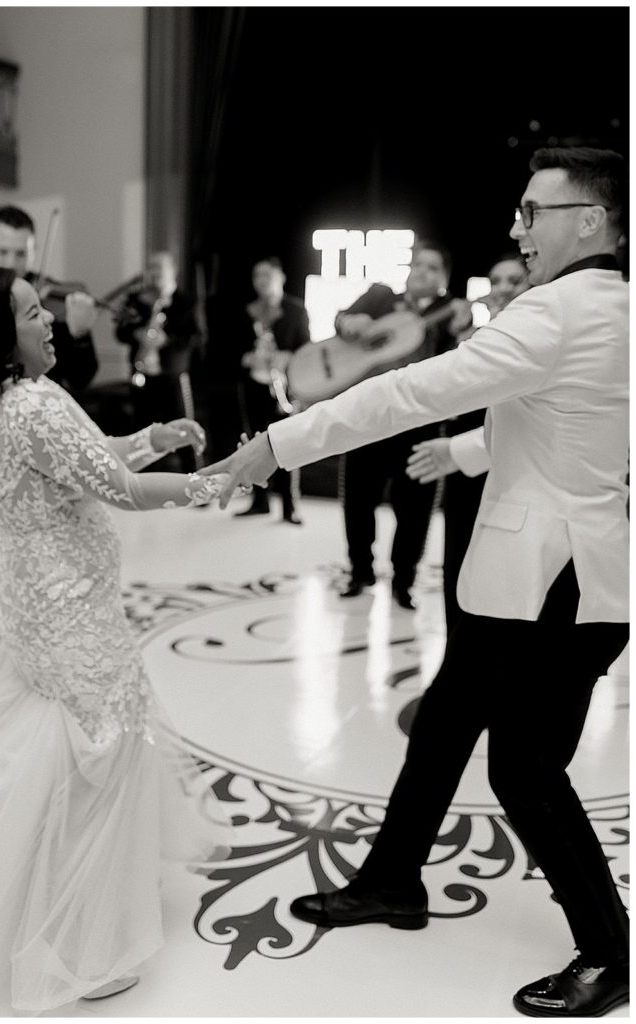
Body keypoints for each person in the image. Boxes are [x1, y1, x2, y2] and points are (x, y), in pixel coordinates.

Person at [200, 147, 629, 1017]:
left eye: (530, 212)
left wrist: (273, 447)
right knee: (440, 728)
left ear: (588, 221)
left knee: (524, 769)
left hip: (555, 588)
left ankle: (610, 949)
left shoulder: (562, 310)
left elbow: (410, 388)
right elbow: (570, 423)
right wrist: (467, 451)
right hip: (526, 577)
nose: (515, 228)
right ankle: (394, 880)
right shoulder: (607, 309)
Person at [0, 268, 231, 1016]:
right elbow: (116, 488)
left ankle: (21, 909)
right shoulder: (32, 401)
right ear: (1, 337)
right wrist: (214, 482)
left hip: (40, 610)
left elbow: (88, 458)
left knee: (51, 759)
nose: (51, 324)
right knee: (99, 762)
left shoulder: (3, 403)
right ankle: (76, 945)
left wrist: (153, 438)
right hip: (70, 618)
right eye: (34, 314)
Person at [333, 241, 471, 605]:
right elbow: (342, 320)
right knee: (357, 501)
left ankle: (403, 580)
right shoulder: (379, 298)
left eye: (432, 268)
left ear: (443, 279)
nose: (421, 272)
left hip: (419, 426)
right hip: (368, 417)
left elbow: (458, 362)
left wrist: (461, 329)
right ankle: (359, 569)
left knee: (415, 508)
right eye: (417, 265)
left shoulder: (449, 311)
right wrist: (349, 322)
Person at [407, 253, 530, 632]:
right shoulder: (474, 340)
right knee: (459, 573)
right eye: (496, 280)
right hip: (464, 477)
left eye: (514, 280)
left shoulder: (539, 341)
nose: (504, 289)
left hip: (517, 482)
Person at [0, 204, 100, 399]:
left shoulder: (52, 307)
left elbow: (81, 379)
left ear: (34, 250)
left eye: (21, 254)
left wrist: (79, 335)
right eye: (2, 252)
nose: (11, 265)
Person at [234, 257, 310, 524]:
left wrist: (285, 357)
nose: (262, 281)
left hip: (284, 386)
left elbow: (305, 348)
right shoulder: (248, 311)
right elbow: (231, 350)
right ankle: (259, 501)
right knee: (255, 442)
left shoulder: (296, 310)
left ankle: (290, 505)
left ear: (281, 277)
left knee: (288, 443)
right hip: (254, 384)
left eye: (267, 275)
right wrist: (247, 358)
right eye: (257, 276)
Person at [114, 251, 202, 472]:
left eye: (159, 268)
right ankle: (139, 479)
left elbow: (196, 336)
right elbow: (121, 332)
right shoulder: (137, 300)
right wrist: (136, 333)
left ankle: (194, 475)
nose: (154, 273)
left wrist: (167, 340)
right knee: (141, 427)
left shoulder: (185, 301)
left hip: (172, 374)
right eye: (151, 267)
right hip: (142, 373)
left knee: (183, 427)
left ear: (173, 271)